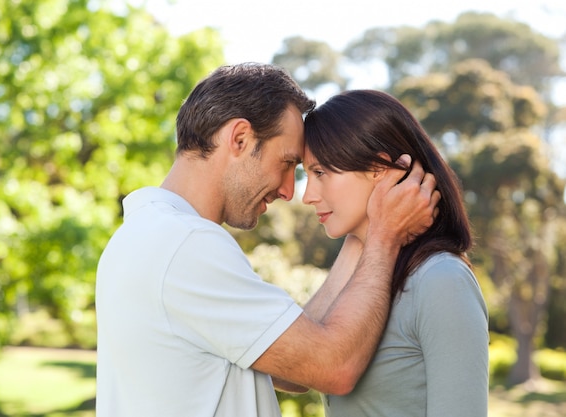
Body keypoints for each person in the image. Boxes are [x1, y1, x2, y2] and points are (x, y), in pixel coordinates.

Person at [95, 63, 440, 417]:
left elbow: (290, 370)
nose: (289, 191)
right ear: (240, 139)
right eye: (287, 162)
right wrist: (384, 236)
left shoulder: (139, 238)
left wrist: (362, 233)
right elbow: (334, 369)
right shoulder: (188, 244)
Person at [300, 89, 489, 417]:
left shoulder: (441, 281)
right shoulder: (362, 280)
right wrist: (367, 235)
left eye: (320, 173)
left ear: (379, 168)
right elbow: (297, 365)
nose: (307, 196)